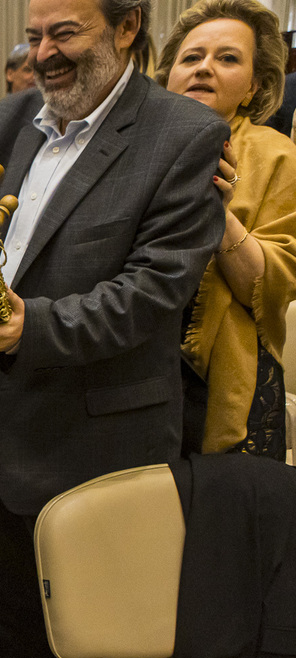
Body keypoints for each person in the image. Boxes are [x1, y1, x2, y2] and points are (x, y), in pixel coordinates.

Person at [0, 0, 229, 658]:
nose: (43, 54)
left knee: (106, 597)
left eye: (65, 33)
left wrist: (28, 325)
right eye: (34, 36)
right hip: (0, 396)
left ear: (127, 27)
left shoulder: (184, 135)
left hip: (105, 421)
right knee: (9, 565)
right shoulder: (11, 119)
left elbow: (154, 292)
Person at [158, 0, 296, 461]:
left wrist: (218, 213)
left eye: (228, 58)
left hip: (219, 385)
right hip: (124, 372)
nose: (204, 68)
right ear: (168, 75)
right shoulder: (126, 150)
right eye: (192, 57)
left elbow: (268, 286)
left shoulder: (276, 156)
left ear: (254, 86)